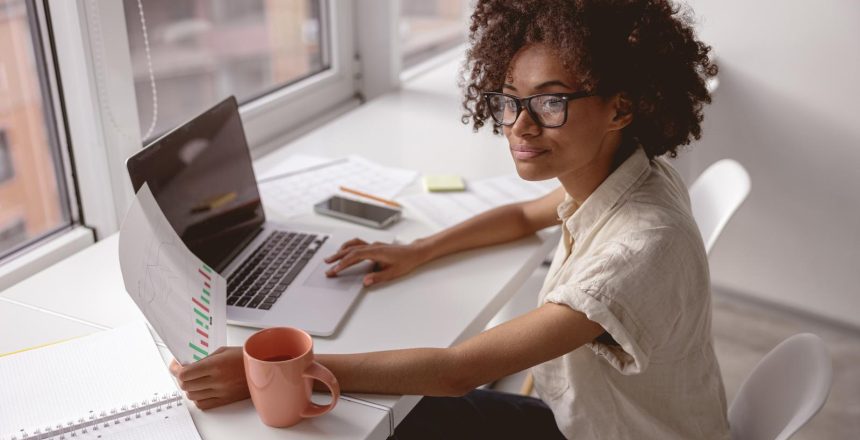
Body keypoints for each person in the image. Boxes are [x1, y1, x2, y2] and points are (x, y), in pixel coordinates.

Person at [171, 0, 730, 438]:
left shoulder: (640, 244)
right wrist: (418, 250)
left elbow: (455, 369)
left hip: (610, 435)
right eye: (511, 99)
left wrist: (279, 370)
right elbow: (518, 217)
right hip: (585, 415)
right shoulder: (625, 176)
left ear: (621, 108)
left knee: (390, 416)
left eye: (551, 102)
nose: (520, 127)